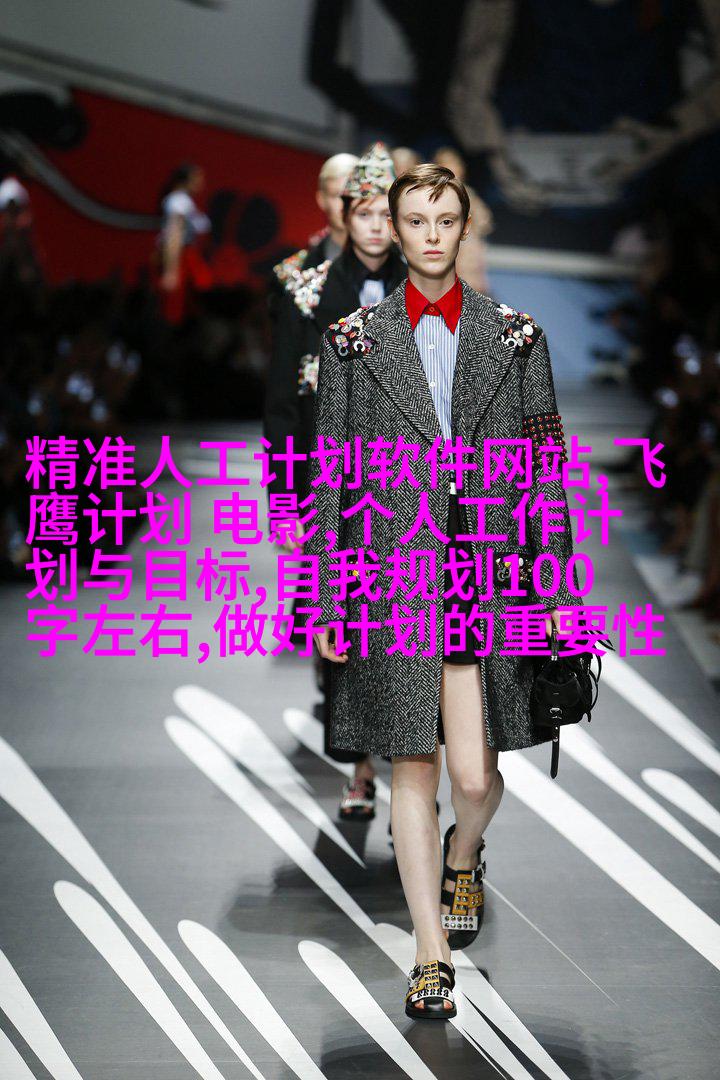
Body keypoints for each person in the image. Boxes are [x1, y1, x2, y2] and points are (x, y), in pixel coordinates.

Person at [307, 163, 577, 1019]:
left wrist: (557, 584)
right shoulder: (351, 342)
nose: (430, 235)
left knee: (475, 774)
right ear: (395, 228)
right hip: (393, 576)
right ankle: (429, 954)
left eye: (444, 220)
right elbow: (331, 477)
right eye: (415, 220)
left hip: (489, 576)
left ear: (463, 230)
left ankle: (465, 855)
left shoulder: (518, 339)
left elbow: (546, 467)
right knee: (411, 767)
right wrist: (328, 593)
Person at [263, 142, 407, 823]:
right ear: (344, 215)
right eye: (365, 212)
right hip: (331, 486)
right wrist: (283, 496)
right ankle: (360, 766)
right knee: (342, 623)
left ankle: (405, 766)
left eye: (387, 214)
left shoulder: (426, 285)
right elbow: (282, 404)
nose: (376, 226)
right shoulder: (306, 290)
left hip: (413, 485)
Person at [156, 162, 212, 325]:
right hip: (180, 258)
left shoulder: (186, 202)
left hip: (188, 257)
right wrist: (171, 270)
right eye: (197, 177)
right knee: (173, 311)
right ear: (186, 179)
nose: (201, 182)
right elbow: (174, 235)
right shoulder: (178, 201)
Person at [433, 146, 493, 294]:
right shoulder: (433, 195)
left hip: (469, 245)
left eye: (455, 165)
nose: (453, 170)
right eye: (447, 165)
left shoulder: (468, 193)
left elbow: (485, 221)